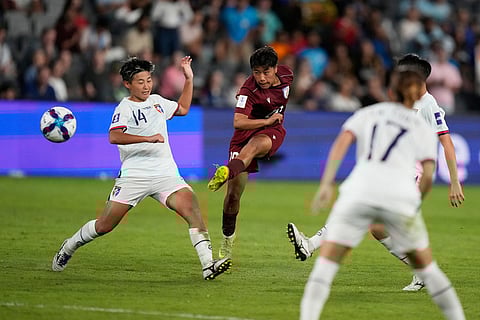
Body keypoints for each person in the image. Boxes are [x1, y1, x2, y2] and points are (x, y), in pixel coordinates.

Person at [287, 53, 465, 291]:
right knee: (376, 227)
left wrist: (454, 181)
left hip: (409, 175)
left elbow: (447, 143)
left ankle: (311, 244)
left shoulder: (428, 105)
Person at [52, 56, 231, 280]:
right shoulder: (124, 108)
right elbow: (114, 135)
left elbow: (183, 108)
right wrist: (146, 139)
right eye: (140, 81)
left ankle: (208, 266)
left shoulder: (157, 101)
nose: (146, 86)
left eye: (148, 80)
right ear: (127, 84)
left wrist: (189, 79)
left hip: (166, 174)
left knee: (193, 209)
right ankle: (69, 246)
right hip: (134, 176)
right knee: (105, 225)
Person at [207, 46, 293, 261]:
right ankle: (227, 240)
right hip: (244, 134)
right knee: (233, 196)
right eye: (256, 72)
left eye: (266, 72)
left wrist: (269, 123)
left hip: (270, 131)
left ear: (275, 69)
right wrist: (266, 119)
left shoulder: (287, 75)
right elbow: (238, 122)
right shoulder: (248, 91)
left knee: (256, 145)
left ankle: (227, 171)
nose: (261, 78)